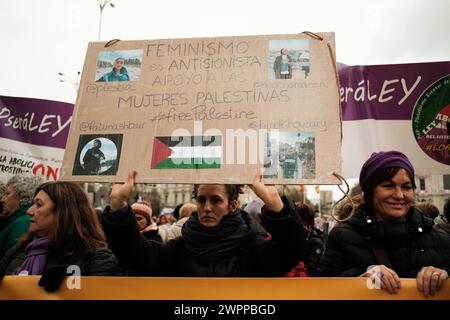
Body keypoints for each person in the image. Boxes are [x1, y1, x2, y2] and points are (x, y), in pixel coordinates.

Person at [101, 170, 306, 277]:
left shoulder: (252, 247)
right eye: (201, 200)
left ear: (233, 205)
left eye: (216, 200)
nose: (207, 207)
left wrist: (275, 205)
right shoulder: (180, 249)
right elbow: (136, 256)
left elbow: (291, 251)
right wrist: (118, 206)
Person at [318, 151, 450, 297]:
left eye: (406, 187)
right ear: (369, 193)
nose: (399, 195)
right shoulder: (341, 237)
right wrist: (360, 280)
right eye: (388, 186)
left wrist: (444, 278)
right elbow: (322, 291)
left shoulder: (441, 240)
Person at [0, 181, 122, 292]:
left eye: (39, 205)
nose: (29, 211)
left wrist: (72, 287)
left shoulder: (97, 258)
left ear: (62, 213)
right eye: (33, 204)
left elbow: (108, 294)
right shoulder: (21, 249)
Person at [0, 175, 42, 260]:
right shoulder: (15, 219)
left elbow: (9, 260)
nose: (2, 199)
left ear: (22, 198)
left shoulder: (22, 223)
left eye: (7, 194)